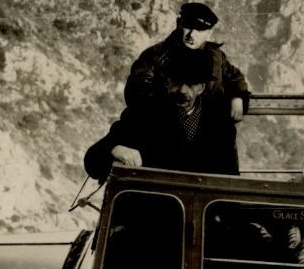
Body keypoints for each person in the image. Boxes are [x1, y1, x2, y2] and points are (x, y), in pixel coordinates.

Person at [85, 45, 240, 180]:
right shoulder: (143, 114)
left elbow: (229, 185)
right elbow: (93, 160)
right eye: (177, 81)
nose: (182, 90)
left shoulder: (221, 127)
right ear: (168, 81)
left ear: (202, 88)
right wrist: (115, 150)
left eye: (191, 83)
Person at [125, 1, 250, 124]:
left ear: (209, 33)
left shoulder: (216, 56)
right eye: (188, 26)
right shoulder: (155, 56)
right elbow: (137, 94)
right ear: (179, 23)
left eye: (199, 30)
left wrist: (237, 97)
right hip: (161, 129)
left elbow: (235, 77)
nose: (191, 34)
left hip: (206, 131)